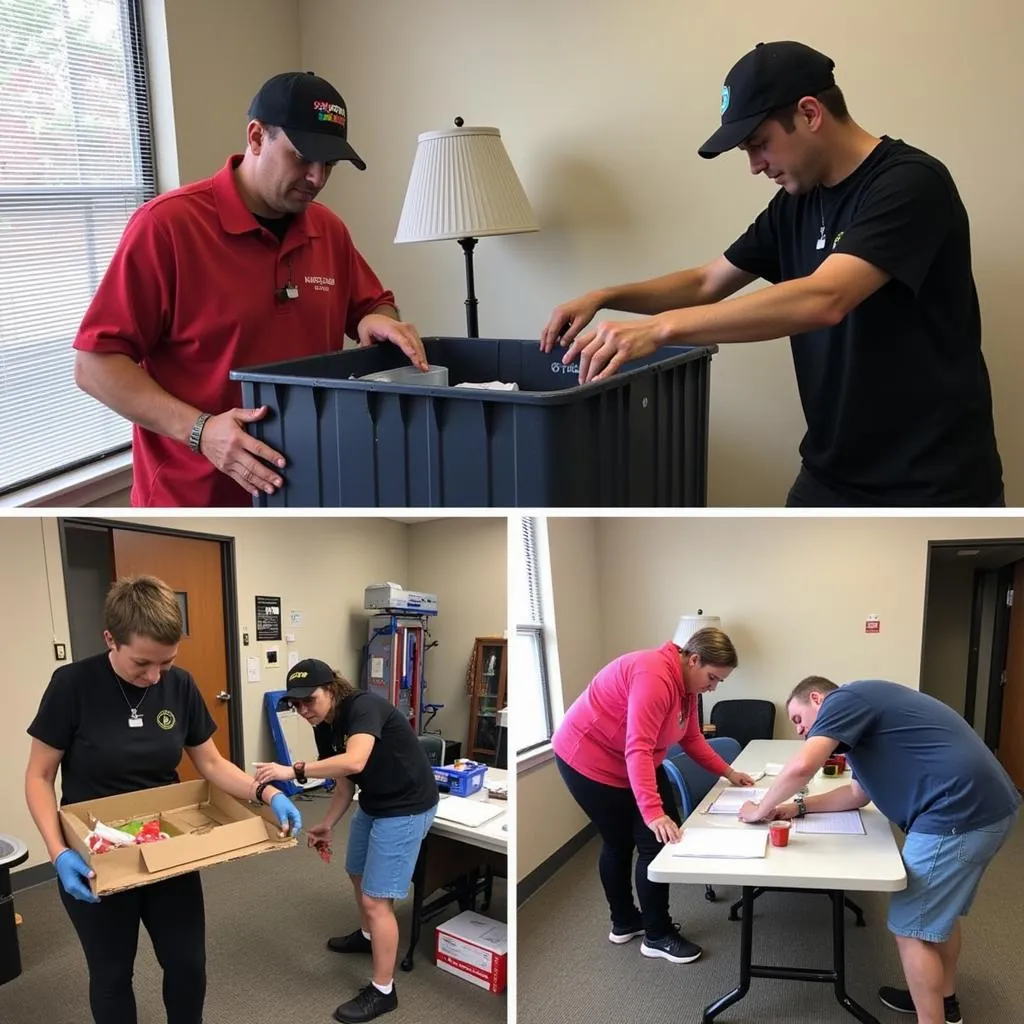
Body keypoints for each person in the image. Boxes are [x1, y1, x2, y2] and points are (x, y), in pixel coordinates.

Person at [540, 40, 1003, 508]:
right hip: (831, 473)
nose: (755, 166)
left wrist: (660, 328)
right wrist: (605, 295)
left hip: (932, 480)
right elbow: (706, 283)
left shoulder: (911, 183)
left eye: (759, 144)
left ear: (810, 113)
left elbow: (826, 298)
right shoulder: (795, 205)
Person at [73, 70, 429, 508]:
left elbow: (373, 306)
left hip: (305, 488)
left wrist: (378, 319)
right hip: (195, 499)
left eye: (330, 165)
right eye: (303, 157)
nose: (317, 178)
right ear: (257, 137)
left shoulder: (328, 230)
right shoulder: (166, 227)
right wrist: (200, 431)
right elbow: (94, 364)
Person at [24, 575, 302, 1024]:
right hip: (97, 853)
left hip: (167, 846)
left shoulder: (182, 686)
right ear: (110, 639)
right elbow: (38, 776)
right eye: (142, 664)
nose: (154, 677)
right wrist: (57, 853)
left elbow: (210, 764)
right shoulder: (72, 685)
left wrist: (265, 792)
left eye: (166, 663)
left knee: (188, 965)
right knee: (112, 974)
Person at [737, 676, 1021, 1024]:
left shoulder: (845, 699)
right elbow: (857, 794)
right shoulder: (861, 724)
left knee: (911, 930)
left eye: (799, 719)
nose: (799, 731)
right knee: (936, 919)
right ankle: (943, 1003)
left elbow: (802, 766)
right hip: (988, 809)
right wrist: (796, 808)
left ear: (816, 698)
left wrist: (761, 809)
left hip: (956, 813)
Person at [551, 626, 754, 965]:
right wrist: (653, 812)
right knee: (628, 841)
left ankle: (636, 923)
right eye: (713, 677)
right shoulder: (654, 677)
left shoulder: (686, 686)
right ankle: (650, 932)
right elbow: (639, 747)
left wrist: (729, 773)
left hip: (634, 759)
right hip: (587, 759)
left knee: (653, 842)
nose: (714, 687)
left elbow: (691, 741)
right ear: (694, 659)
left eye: (720, 682)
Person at [254, 658, 438, 1023]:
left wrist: (294, 770)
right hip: (374, 801)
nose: (303, 709)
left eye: (310, 700)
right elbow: (345, 783)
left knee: (375, 899)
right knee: (355, 870)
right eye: (296, 704)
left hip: (406, 806)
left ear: (332, 689)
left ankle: (384, 991)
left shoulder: (363, 707)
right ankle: (369, 937)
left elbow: (354, 761)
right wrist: (326, 824)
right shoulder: (324, 725)